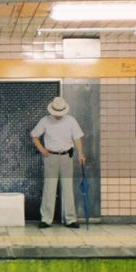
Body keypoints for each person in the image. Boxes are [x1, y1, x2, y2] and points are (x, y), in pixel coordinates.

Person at [30, 96, 86, 229]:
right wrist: (42, 149)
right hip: (51, 157)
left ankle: (70, 219)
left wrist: (81, 154)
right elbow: (34, 135)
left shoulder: (71, 121)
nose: (58, 115)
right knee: (49, 188)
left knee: (67, 188)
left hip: (67, 156)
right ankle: (46, 219)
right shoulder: (45, 120)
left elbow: (77, 138)